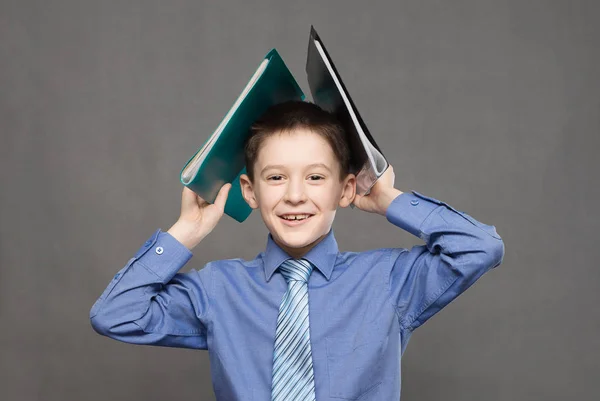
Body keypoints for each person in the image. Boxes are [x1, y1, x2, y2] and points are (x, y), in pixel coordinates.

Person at [90, 101, 505, 401]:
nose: (294, 195)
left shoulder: (389, 282)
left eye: (314, 177)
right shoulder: (218, 290)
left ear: (345, 189)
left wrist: (387, 199)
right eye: (275, 177)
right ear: (250, 192)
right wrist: (186, 232)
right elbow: (116, 315)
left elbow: (479, 247)